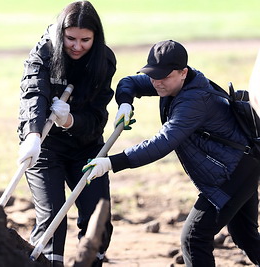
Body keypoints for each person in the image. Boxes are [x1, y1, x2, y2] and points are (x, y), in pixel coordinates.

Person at [84, 40, 260, 266]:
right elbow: (129, 82)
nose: (156, 82)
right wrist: (125, 104)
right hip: (242, 163)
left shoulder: (194, 100)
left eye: (163, 76)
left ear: (183, 72)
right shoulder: (172, 83)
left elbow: (163, 142)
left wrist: (111, 163)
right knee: (245, 236)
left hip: (234, 172)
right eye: (152, 74)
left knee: (194, 237)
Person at [17, 1, 116, 266]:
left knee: (99, 218)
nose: (76, 45)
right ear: (61, 33)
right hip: (45, 146)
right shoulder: (44, 52)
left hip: (86, 146)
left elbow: (97, 118)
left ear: (96, 38)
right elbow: (33, 94)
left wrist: (71, 120)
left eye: (85, 40)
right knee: (52, 219)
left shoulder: (104, 60)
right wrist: (32, 135)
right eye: (70, 38)